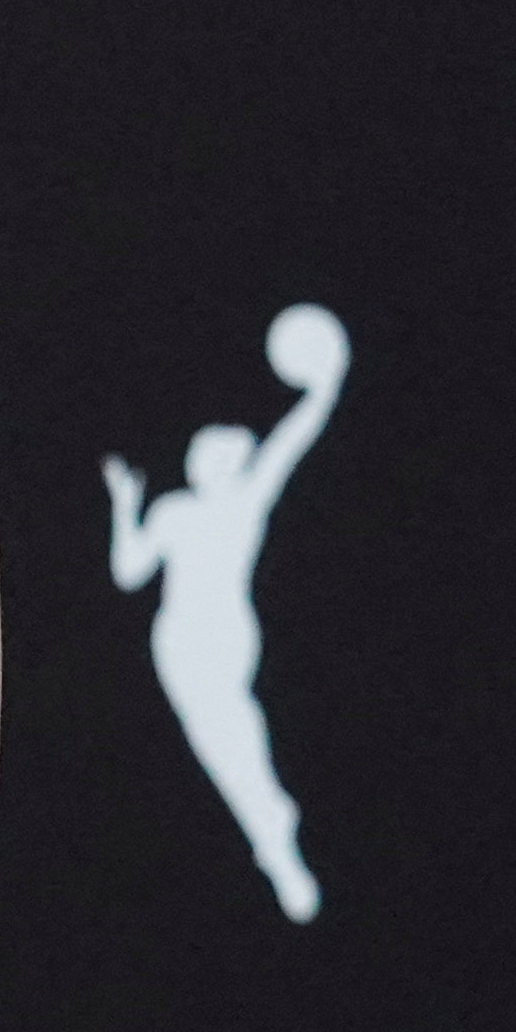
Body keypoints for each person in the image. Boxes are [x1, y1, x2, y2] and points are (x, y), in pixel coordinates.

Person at [102, 303, 345, 924]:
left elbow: (290, 445)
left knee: (229, 732)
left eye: (219, 454)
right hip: (177, 642)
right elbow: (129, 574)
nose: (204, 459)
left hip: (225, 638)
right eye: (200, 452)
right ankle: (271, 828)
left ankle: (272, 830)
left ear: (232, 464)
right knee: (220, 739)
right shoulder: (173, 512)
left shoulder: (243, 505)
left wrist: (325, 388)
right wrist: (124, 507)